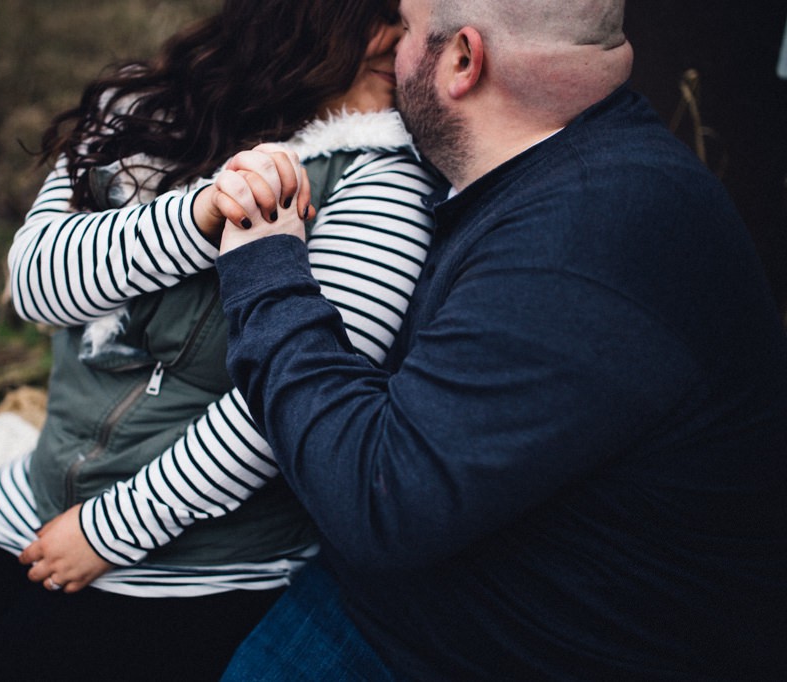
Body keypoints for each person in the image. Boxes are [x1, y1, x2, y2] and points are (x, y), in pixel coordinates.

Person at [0, 1, 438, 680]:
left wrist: (107, 531)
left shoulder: (382, 180)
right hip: (47, 479)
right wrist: (202, 213)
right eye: (393, 13)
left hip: (205, 545)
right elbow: (37, 286)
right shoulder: (144, 108)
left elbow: (293, 406)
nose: (422, 33)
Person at [209, 0, 787, 679]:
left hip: (475, 650)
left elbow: (378, 497)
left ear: (462, 60)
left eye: (406, 26)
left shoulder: (591, 241)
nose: (392, 51)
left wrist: (265, 262)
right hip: (408, 604)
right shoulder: (567, 166)